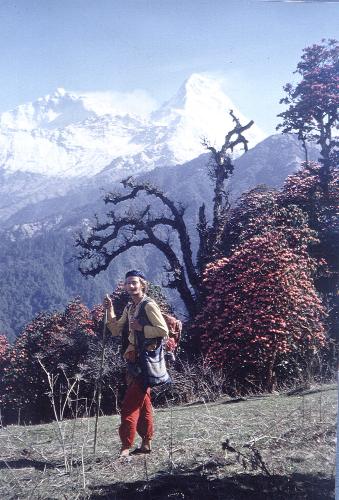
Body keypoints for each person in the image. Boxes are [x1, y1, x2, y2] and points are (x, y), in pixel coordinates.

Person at [104, 270, 169, 458]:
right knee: (144, 404)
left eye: (134, 282)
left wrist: (142, 328)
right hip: (134, 359)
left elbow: (163, 330)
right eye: (128, 283)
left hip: (144, 362)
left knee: (129, 406)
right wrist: (109, 309)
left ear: (142, 284)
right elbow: (116, 330)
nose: (131, 286)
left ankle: (126, 447)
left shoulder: (148, 305)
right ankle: (146, 443)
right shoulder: (130, 307)